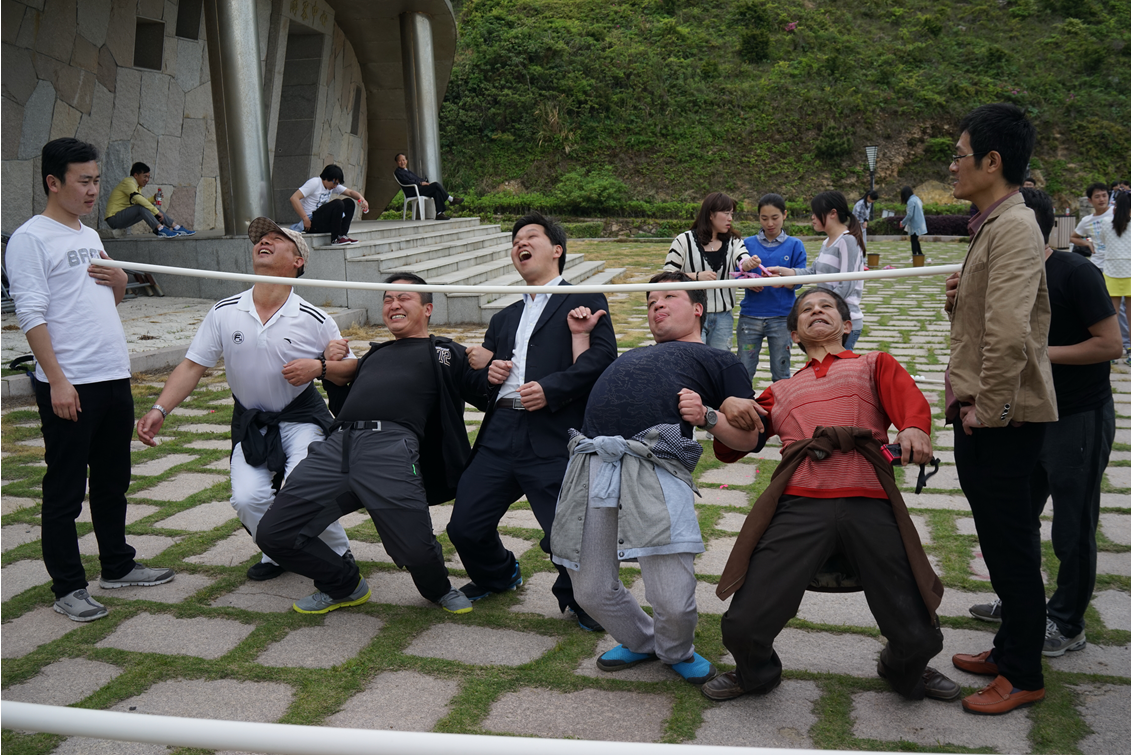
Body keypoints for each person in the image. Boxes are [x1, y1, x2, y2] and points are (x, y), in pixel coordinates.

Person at [698, 287, 958, 703]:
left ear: (847, 324)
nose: (816, 311)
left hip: (869, 498)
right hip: (799, 502)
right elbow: (735, 446)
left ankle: (901, 667)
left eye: (826, 307)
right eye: (806, 309)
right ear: (794, 335)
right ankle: (755, 674)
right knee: (743, 625)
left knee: (919, 635)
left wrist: (913, 427)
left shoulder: (874, 363)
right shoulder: (780, 390)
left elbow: (909, 404)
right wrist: (724, 408)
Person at [550, 271, 761, 686]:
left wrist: (708, 416)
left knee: (673, 599)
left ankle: (676, 650)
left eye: (668, 297)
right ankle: (643, 640)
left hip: (654, 468)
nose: (656, 305)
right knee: (589, 589)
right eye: (650, 301)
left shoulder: (721, 360)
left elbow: (750, 439)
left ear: (698, 308)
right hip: (593, 463)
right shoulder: (633, 354)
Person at [6, 138, 175, 622]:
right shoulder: (31, 239)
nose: (93, 191)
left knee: (111, 481)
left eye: (97, 180)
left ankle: (117, 566)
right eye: (84, 181)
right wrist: (57, 381)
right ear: (52, 182)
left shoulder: (86, 234)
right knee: (65, 489)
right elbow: (31, 315)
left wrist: (120, 284)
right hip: (71, 383)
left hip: (112, 374)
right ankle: (68, 586)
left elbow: (98, 302)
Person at [256, 273, 490, 615]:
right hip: (338, 446)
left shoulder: (445, 352)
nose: (393, 304)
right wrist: (330, 368)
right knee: (273, 534)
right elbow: (344, 405)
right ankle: (343, 585)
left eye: (403, 298)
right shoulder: (374, 354)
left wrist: (489, 364)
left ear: (427, 309)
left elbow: (486, 394)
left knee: (415, 550)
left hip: (391, 449)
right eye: (387, 299)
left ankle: (439, 590)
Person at [135, 217, 355, 580]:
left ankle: (339, 555)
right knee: (247, 498)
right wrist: (160, 409)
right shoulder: (225, 311)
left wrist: (320, 366)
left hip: (302, 419)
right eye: (260, 239)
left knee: (303, 489)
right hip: (251, 421)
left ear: (298, 260)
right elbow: (192, 365)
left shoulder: (314, 318)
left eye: (276, 239)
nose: (263, 242)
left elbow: (348, 370)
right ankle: (279, 551)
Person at [963, 188, 1119, 659]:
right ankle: (1022, 604)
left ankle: (1067, 621)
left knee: (1072, 527)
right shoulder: (1001, 270)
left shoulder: (1076, 273)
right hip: (1023, 415)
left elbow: (1110, 344)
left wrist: (1036, 355)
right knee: (1015, 520)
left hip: (1076, 416)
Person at [450, 212, 617, 631]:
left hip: (551, 430)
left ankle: (581, 598)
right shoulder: (504, 317)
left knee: (565, 529)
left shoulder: (584, 299)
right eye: (515, 241)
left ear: (557, 249)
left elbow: (601, 359)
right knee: (465, 525)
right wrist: (487, 374)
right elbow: (480, 387)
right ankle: (498, 574)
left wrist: (552, 389)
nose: (519, 244)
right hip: (499, 431)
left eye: (530, 237)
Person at [944, 102, 1058, 715]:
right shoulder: (993, 224)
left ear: (992, 161)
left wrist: (988, 409)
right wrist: (959, 298)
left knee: (1011, 548)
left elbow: (1010, 333)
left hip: (1002, 419)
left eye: (959, 155)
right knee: (997, 539)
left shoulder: (1013, 226)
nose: (952, 166)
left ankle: (1023, 674)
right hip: (984, 410)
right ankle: (1009, 646)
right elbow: (989, 314)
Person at [767, 191, 866, 350]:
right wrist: (781, 272)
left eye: (816, 212)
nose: (812, 217)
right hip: (828, 319)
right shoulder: (827, 241)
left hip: (844, 322)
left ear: (833, 213)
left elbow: (847, 284)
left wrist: (821, 306)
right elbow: (813, 272)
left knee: (839, 365)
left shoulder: (847, 240)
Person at [663, 192, 759, 351]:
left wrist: (749, 263)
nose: (730, 218)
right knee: (694, 359)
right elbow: (667, 275)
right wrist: (696, 276)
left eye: (732, 214)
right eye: (726, 213)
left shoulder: (734, 241)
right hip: (691, 315)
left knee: (719, 361)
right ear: (710, 214)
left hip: (724, 317)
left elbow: (742, 259)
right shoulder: (683, 241)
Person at [736, 193, 805, 383]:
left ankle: (780, 403)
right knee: (743, 371)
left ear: (785, 215)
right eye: (764, 218)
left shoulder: (795, 245)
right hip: (750, 316)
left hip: (782, 317)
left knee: (781, 372)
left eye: (775, 217)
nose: (770, 223)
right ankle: (743, 402)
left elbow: (800, 280)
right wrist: (749, 281)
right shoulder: (747, 244)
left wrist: (781, 280)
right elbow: (736, 274)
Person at [1070, 183, 1128, 360]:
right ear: (1090, 200)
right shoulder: (1088, 220)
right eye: (1097, 196)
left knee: (1119, 309)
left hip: (1115, 267)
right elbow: (1073, 237)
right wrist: (1087, 244)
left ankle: (1122, 344)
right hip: (1099, 266)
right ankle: (1113, 344)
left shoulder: (1113, 216)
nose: (1102, 199)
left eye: (1104, 195)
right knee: (1107, 308)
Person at [104, 162, 192, 238]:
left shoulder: (137, 186)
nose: (147, 180)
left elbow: (141, 203)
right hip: (114, 219)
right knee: (142, 207)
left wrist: (153, 199)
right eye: (145, 176)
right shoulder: (128, 182)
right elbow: (138, 199)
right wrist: (156, 212)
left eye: (148, 177)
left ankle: (176, 227)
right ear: (136, 175)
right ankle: (160, 229)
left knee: (147, 207)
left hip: (123, 218)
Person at [289, 165, 369, 246]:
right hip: (311, 223)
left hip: (323, 223)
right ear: (327, 177)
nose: (335, 186)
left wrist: (362, 199)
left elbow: (350, 192)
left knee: (349, 203)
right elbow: (294, 198)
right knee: (338, 203)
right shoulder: (315, 183)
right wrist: (305, 218)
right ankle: (335, 238)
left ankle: (342, 235)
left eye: (337, 184)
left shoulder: (332, 186)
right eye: (335, 183)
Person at [394, 153, 463, 220]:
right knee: (436, 184)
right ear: (396, 162)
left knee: (436, 192)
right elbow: (406, 181)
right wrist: (420, 183)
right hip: (413, 191)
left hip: (419, 189)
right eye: (400, 161)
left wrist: (424, 181)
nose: (402, 162)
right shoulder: (398, 172)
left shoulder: (408, 171)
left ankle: (439, 213)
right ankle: (451, 199)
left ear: (406, 161)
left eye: (403, 160)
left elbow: (418, 178)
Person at [900, 186, 927, 257]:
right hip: (920, 222)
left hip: (915, 223)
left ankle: (915, 256)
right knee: (915, 239)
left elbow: (910, 214)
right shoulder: (917, 199)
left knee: (913, 240)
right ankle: (920, 254)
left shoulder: (911, 201)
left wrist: (903, 222)